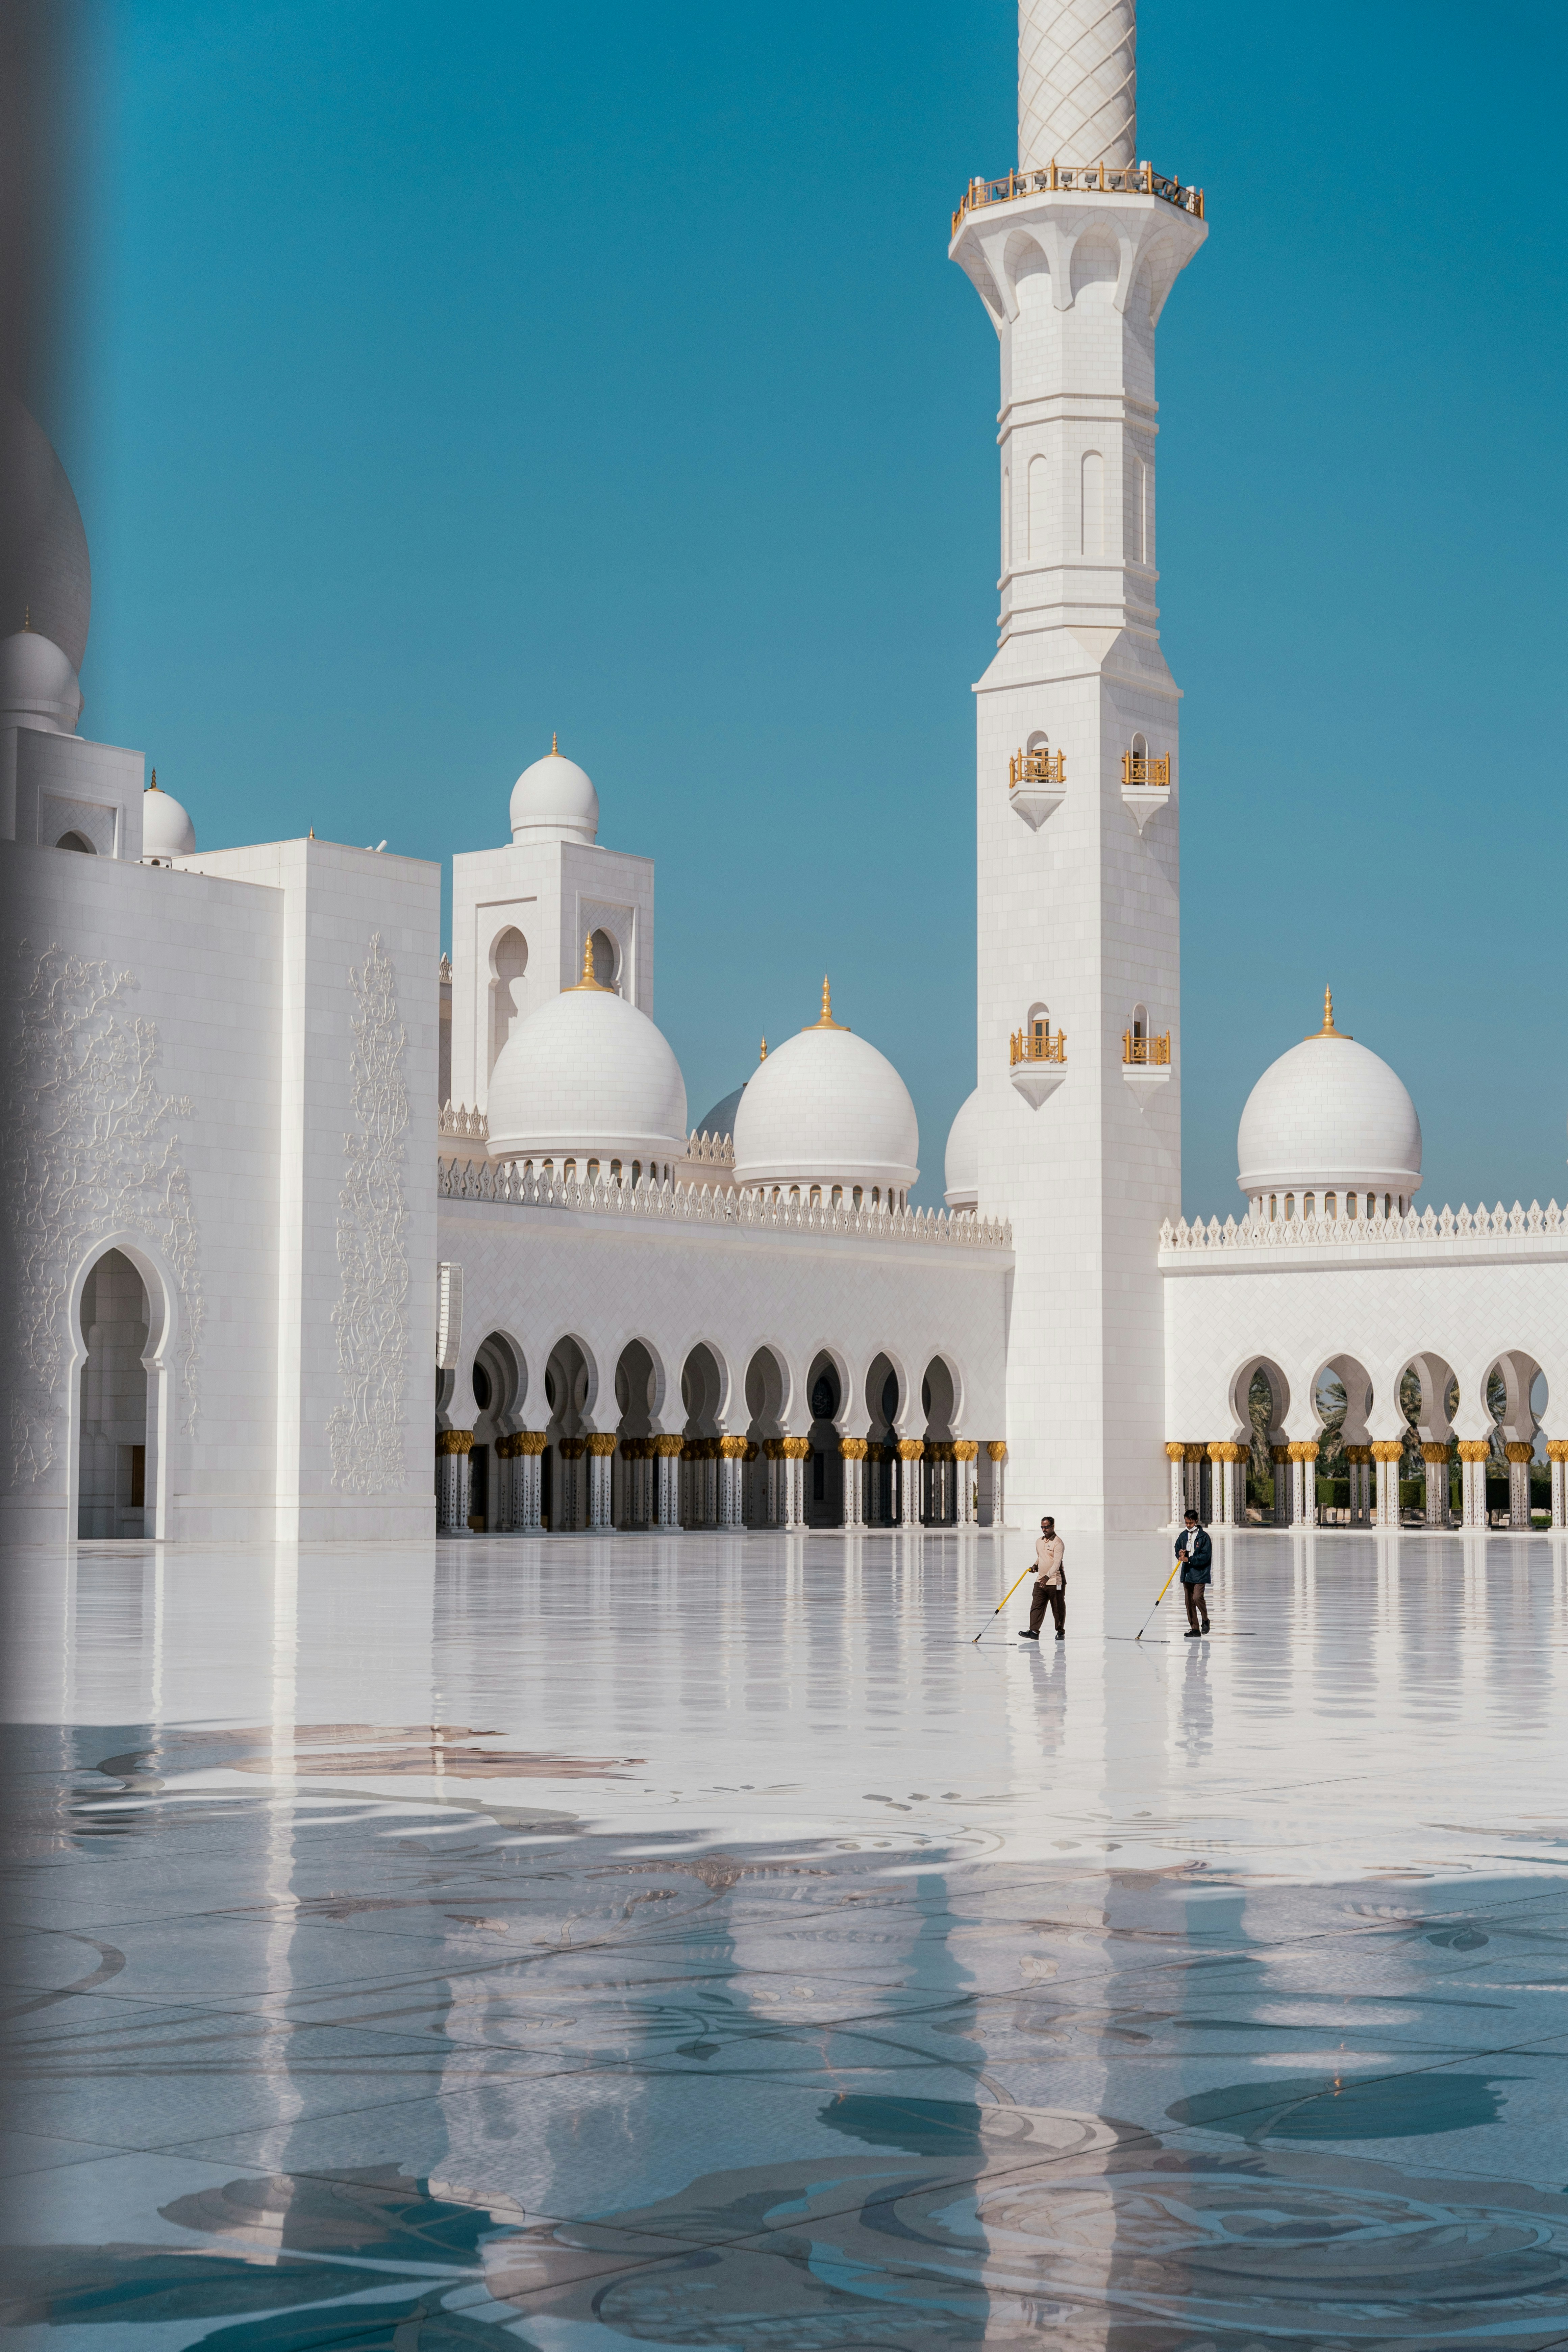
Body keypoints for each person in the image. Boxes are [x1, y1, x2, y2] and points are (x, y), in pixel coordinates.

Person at [1021, 1515, 1065, 1639]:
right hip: (1041, 1580)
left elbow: (1057, 1563)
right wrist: (1035, 1566)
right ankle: (1034, 1631)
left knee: (1058, 1608)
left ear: (1053, 1527)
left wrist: (1047, 1576)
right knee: (1037, 1605)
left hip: (1056, 1581)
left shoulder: (1058, 1543)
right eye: (1043, 1527)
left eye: (1047, 1527)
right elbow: (1041, 1557)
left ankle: (1060, 1631)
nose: (1044, 1530)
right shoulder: (1039, 1541)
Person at [1175, 1509, 1212, 1635]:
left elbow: (1206, 1556)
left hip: (1200, 1573)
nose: (1189, 1525)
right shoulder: (1183, 1536)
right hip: (1187, 1573)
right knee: (1189, 1601)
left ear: (1196, 1521)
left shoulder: (1204, 1537)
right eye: (1186, 1523)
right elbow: (1177, 1548)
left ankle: (1205, 1620)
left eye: (1190, 1523)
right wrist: (1179, 1553)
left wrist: (1190, 1559)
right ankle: (1195, 1628)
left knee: (1197, 1597)